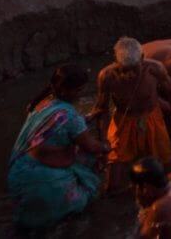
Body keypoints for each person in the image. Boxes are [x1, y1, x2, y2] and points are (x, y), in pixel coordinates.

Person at [7, 64, 106, 231]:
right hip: (41, 178)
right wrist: (106, 146)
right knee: (89, 168)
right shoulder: (70, 116)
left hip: (19, 172)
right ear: (66, 90)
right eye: (79, 90)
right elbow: (90, 146)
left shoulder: (42, 103)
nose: (80, 94)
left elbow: (56, 126)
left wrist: (88, 118)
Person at [89, 37, 171, 193]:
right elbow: (102, 109)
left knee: (168, 171)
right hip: (124, 122)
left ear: (142, 58)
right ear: (116, 61)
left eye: (134, 69)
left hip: (152, 119)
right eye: (124, 69)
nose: (130, 74)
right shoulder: (107, 76)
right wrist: (104, 141)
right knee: (112, 183)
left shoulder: (155, 69)